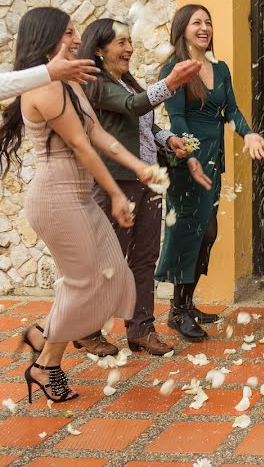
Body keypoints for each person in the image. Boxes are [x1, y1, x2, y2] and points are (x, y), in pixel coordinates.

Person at [0, 7, 164, 402]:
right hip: (56, 199)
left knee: (112, 279)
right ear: (49, 38)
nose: (77, 40)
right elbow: (79, 144)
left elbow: (98, 133)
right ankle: (46, 363)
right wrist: (114, 191)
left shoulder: (69, 81)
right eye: (69, 33)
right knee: (85, 283)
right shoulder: (46, 87)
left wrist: (139, 165)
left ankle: (43, 338)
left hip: (76, 196)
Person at [78, 19, 207, 356]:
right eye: (121, 42)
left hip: (148, 180)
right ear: (98, 49)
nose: (129, 49)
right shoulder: (96, 83)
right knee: (109, 260)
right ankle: (87, 330)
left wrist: (169, 139)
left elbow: (144, 123)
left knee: (145, 257)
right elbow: (134, 107)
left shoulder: (126, 82)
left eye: (130, 41)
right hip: (116, 183)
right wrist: (170, 82)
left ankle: (140, 331)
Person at [155, 5, 264, 341]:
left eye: (208, 22)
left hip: (213, 160)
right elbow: (177, 120)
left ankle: (186, 303)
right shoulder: (173, 68)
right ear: (182, 29)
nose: (204, 28)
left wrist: (247, 132)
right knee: (190, 233)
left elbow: (230, 108)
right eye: (196, 23)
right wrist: (191, 156)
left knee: (207, 232)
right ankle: (178, 310)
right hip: (188, 161)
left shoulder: (219, 68)